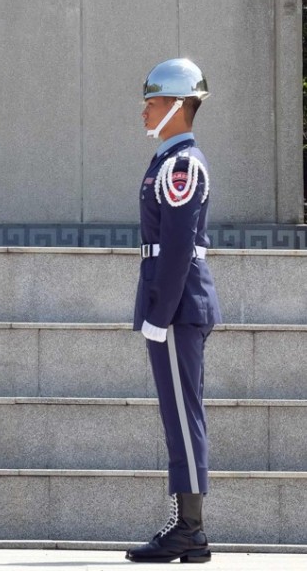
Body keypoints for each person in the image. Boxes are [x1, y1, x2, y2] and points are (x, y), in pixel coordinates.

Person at [127, 58, 221, 564]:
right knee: (177, 416)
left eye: (154, 102)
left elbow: (179, 248)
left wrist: (159, 315)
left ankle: (190, 529)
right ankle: (184, 525)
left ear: (179, 107)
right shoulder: (169, 160)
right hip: (172, 302)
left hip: (178, 306)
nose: (145, 111)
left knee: (184, 419)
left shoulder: (181, 164)